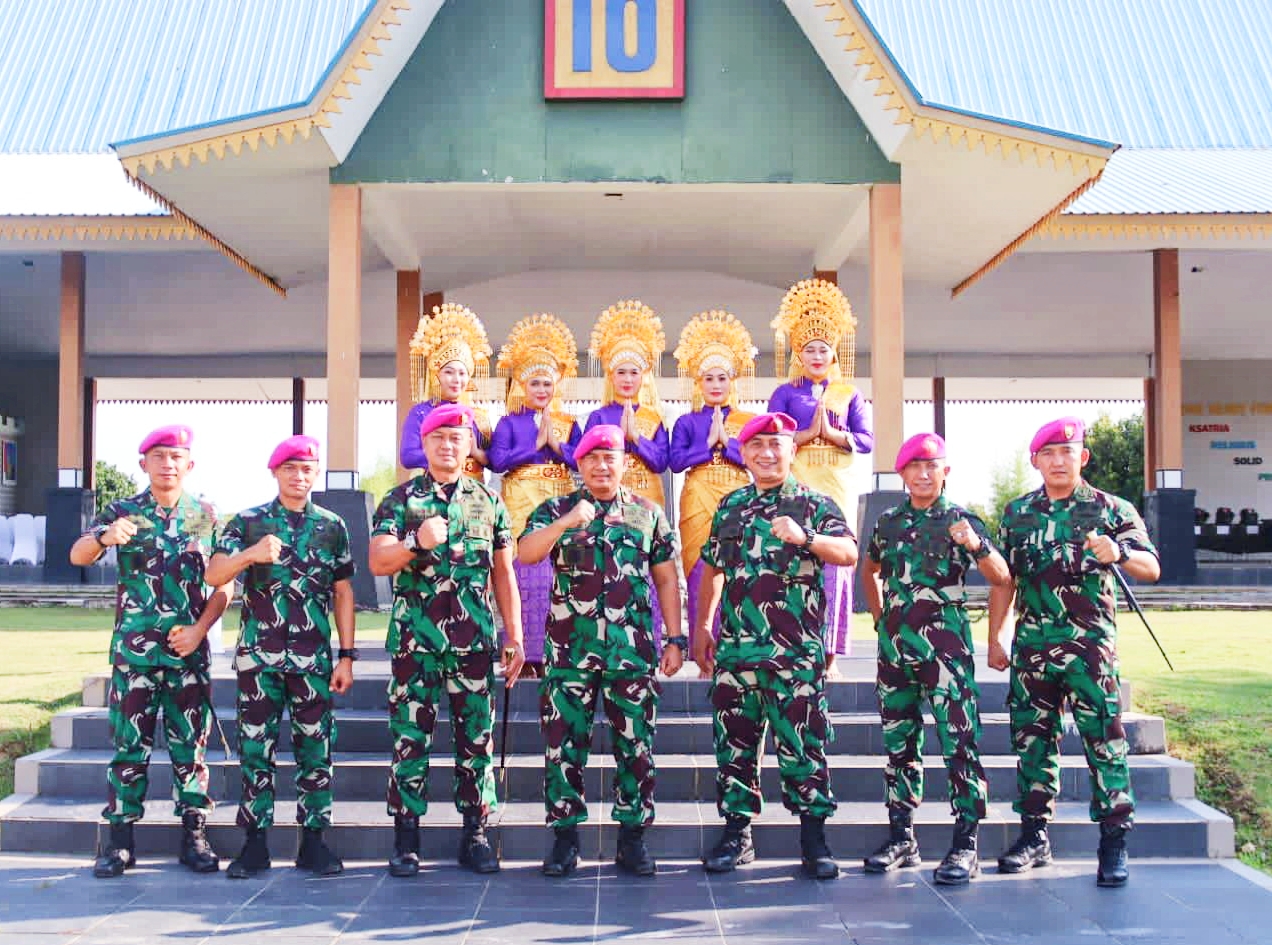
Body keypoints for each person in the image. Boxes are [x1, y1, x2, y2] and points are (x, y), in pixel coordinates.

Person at [988, 417, 1160, 888]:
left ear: (1082, 457)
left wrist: (1119, 553)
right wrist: (996, 637)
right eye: (1049, 453)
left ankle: (1113, 841)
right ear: (1036, 461)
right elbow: (1005, 580)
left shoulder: (1112, 509)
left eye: (1067, 452)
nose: (1059, 461)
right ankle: (1034, 836)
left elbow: (1151, 567)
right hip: (1033, 649)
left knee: (1104, 741)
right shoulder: (1018, 513)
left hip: (1090, 652)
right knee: (1032, 742)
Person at [694, 412, 858, 879]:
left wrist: (808, 537)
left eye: (776, 445)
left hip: (794, 655)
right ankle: (737, 835)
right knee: (734, 746)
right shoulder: (731, 506)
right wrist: (703, 625)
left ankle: (813, 840)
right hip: (737, 653)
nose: (767, 453)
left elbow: (849, 553)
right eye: (757, 446)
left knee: (803, 745)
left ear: (792, 450)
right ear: (744, 455)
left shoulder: (813, 503)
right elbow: (714, 567)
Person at [518, 424, 684, 878]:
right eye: (591, 458)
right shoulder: (555, 509)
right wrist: (566, 523)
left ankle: (632, 839)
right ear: (579, 465)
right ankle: (564, 840)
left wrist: (675, 639)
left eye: (610, 457)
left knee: (636, 745)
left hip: (631, 654)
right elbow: (527, 554)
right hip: (569, 654)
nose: (601, 466)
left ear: (624, 463)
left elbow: (666, 579)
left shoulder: (648, 514)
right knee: (563, 747)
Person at [370, 403, 526, 878]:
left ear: (469, 445)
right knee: (409, 739)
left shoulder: (489, 501)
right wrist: (414, 542)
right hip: (415, 644)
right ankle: (406, 837)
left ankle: (475, 834)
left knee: (475, 740)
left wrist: (515, 634)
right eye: (438, 437)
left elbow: (504, 573)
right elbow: (378, 561)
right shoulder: (400, 500)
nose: (447, 445)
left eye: (457, 437)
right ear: (425, 444)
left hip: (472, 643)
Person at [70, 424, 232, 878]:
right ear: (143, 464)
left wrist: (200, 630)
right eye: (159, 456)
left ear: (190, 464)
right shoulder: (123, 512)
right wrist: (104, 537)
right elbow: (78, 555)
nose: (167, 465)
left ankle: (194, 836)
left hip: (187, 656)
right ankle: (119, 842)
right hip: (135, 656)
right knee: (128, 746)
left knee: (190, 748)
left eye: (176, 457)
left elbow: (225, 585)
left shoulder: (206, 515)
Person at [860, 433, 1011, 885]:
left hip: (946, 653)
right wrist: (879, 618)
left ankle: (966, 843)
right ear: (902, 474)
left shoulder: (961, 520)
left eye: (932, 466)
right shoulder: (888, 522)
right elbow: (869, 569)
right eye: (914, 467)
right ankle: (902, 837)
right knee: (899, 745)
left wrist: (976, 546)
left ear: (946, 471)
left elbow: (1002, 578)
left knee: (959, 744)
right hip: (895, 653)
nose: (923, 474)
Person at [205, 435, 357, 879]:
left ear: (316, 473)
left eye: (307, 469)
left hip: (312, 661)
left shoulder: (332, 526)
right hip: (260, 662)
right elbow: (215, 573)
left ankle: (314, 843)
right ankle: (255, 845)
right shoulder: (247, 522)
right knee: (256, 750)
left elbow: (343, 592)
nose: (299, 476)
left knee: (316, 751)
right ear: (275, 472)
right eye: (290, 468)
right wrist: (251, 554)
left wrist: (346, 656)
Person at [768, 279, 873, 676]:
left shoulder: (849, 394)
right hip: (797, 483)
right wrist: (806, 435)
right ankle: (789, 647)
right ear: (798, 352)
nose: (816, 356)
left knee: (835, 563)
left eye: (823, 349)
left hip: (837, 485)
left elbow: (866, 439)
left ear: (834, 352)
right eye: (809, 349)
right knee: (791, 558)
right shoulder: (786, 393)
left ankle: (830, 658)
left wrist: (833, 435)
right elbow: (771, 434)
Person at [489, 313, 583, 678]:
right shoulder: (508, 422)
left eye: (547, 383)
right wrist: (534, 446)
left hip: (560, 497)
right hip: (521, 499)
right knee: (523, 575)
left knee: (560, 574)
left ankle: (560, 652)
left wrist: (555, 445)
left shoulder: (570, 423)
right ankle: (522, 655)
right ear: (522, 386)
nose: (541, 390)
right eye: (535, 383)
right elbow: (498, 461)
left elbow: (581, 457)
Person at [585, 300, 674, 649]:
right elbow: (586, 459)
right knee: (608, 563)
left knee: (648, 564)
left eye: (633, 372)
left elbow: (662, 461)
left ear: (643, 376)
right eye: (621, 372)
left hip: (645, 499)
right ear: (611, 375)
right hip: (607, 499)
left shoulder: (654, 416)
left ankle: (650, 642)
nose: (627, 379)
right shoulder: (597, 417)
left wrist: (635, 438)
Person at [670, 310, 756, 664]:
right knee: (699, 568)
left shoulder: (749, 421)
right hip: (697, 497)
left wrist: (728, 444)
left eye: (722, 378)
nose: (716, 385)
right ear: (698, 382)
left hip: (739, 498)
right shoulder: (687, 421)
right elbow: (675, 461)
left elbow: (757, 458)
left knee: (739, 569)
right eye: (709, 378)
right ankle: (703, 654)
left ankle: (737, 651)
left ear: (732, 380)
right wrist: (708, 445)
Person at [398, 301, 494, 481]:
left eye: (462, 373)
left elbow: (496, 461)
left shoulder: (478, 417)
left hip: (473, 490)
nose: (456, 379)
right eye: (449, 372)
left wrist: (475, 452)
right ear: (436, 375)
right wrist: (448, 457)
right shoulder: (421, 412)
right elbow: (408, 456)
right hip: (434, 488)